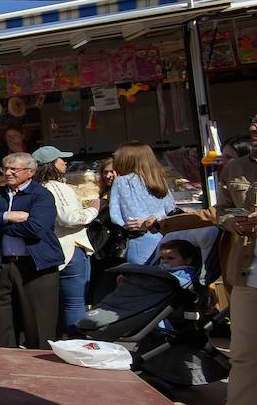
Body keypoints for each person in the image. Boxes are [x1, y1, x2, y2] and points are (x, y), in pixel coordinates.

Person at [0, 152, 64, 350]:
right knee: (1, 318)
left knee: (38, 322)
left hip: (36, 265)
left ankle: (39, 364)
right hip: (2, 263)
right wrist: (7, 216)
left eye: (14, 169)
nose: (8, 173)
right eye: (5, 168)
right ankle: (6, 362)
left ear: (30, 172)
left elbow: (36, 228)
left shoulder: (41, 195)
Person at [217, 116, 257, 405]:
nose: (254, 129)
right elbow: (221, 209)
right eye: (254, 124)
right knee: (244, 355)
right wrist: (230, 220)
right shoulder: (235, 168)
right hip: (247, 272)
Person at [32, 146, 99, 335]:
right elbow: (69, 218)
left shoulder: (35, 188)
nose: (65, 162)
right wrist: (93, 209)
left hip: (51, 251)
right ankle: (76, 341)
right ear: (51, 164)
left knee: (59, 302)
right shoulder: (57, 187)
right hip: (70, 248)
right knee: (75, 301)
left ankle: (62, 339)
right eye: (61, 159)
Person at [110, 141, 176, 264]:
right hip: (165, 238)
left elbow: (117, 216)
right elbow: (171, 210)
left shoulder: (122, 182)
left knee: (143, 279)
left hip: (140, 240)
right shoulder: (159, 180)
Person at [88, 157, 128, 302]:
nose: (108, 176)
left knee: (106, 291)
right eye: (105, 172)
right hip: (102, 250)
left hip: (118, 250)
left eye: (113, 172)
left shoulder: (125, 194)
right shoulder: (103, 193)